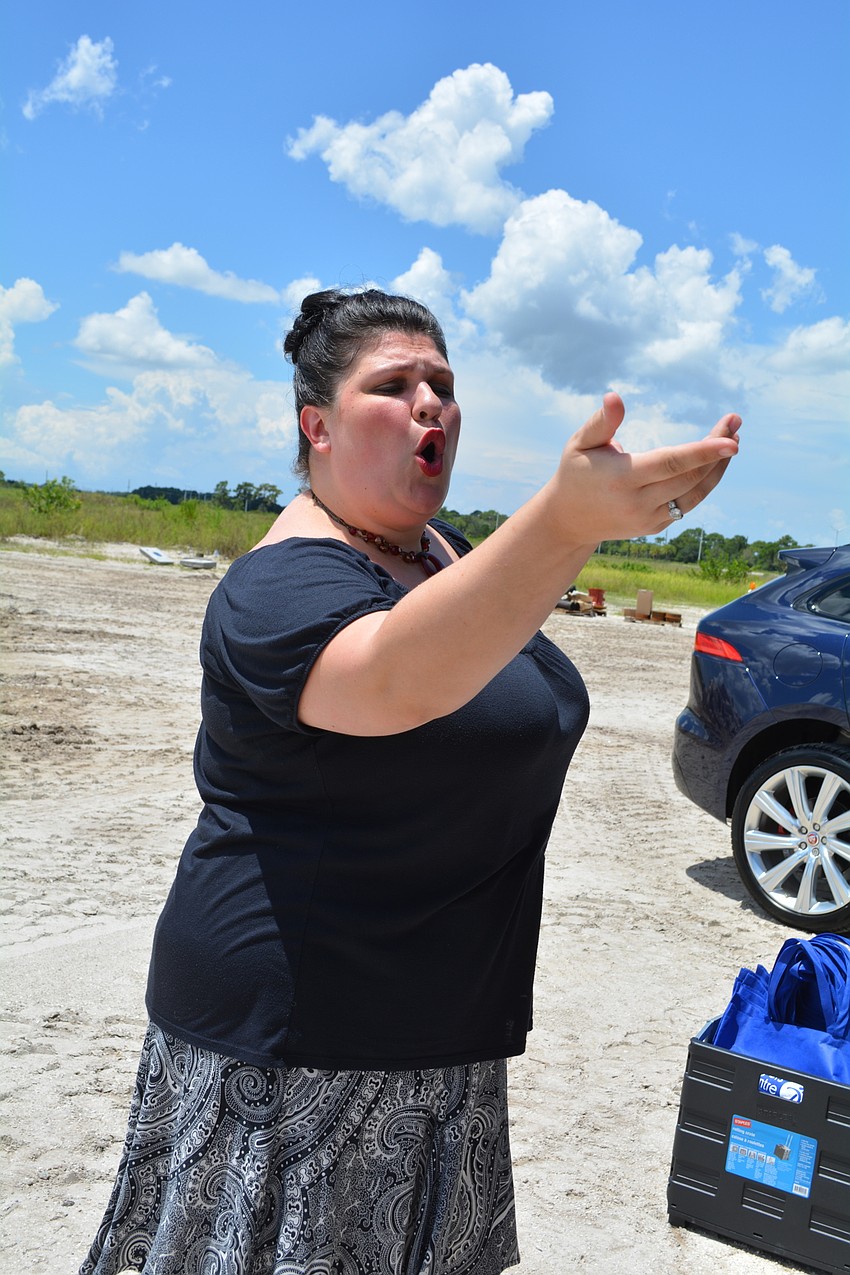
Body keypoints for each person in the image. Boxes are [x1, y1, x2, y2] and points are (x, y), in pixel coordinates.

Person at [79, 288, 741, 1275]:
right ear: (319, 427)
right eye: (392, 385)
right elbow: (398, 680)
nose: (431, 401)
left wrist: (568, 533)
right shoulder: (276, 587)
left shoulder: (440, 555)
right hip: (299, 1038)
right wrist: (563, 524)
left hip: (433, 1025)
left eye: (443, 384)